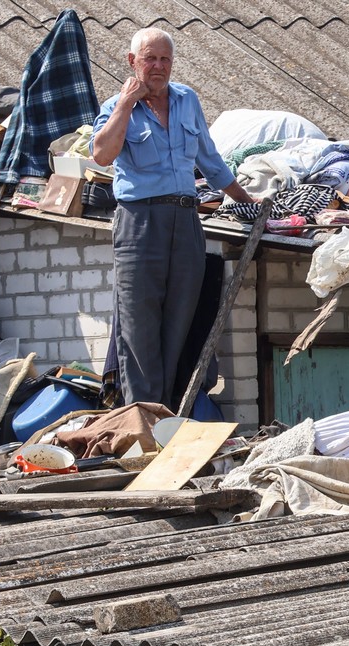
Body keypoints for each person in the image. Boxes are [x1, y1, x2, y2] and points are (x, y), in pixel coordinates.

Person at [91, 27, 256, 406]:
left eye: (165, 59)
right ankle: (140, 417)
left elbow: (209, 159)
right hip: (140, 222)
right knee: (139, 324)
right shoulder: (116, 107)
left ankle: (167, 413)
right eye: (150, 58)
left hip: (185, 220)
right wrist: (124, 105)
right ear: (132, 62)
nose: (159, 66)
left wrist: (245, 198)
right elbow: (102, 154)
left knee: (181, 319)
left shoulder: (186, 99)